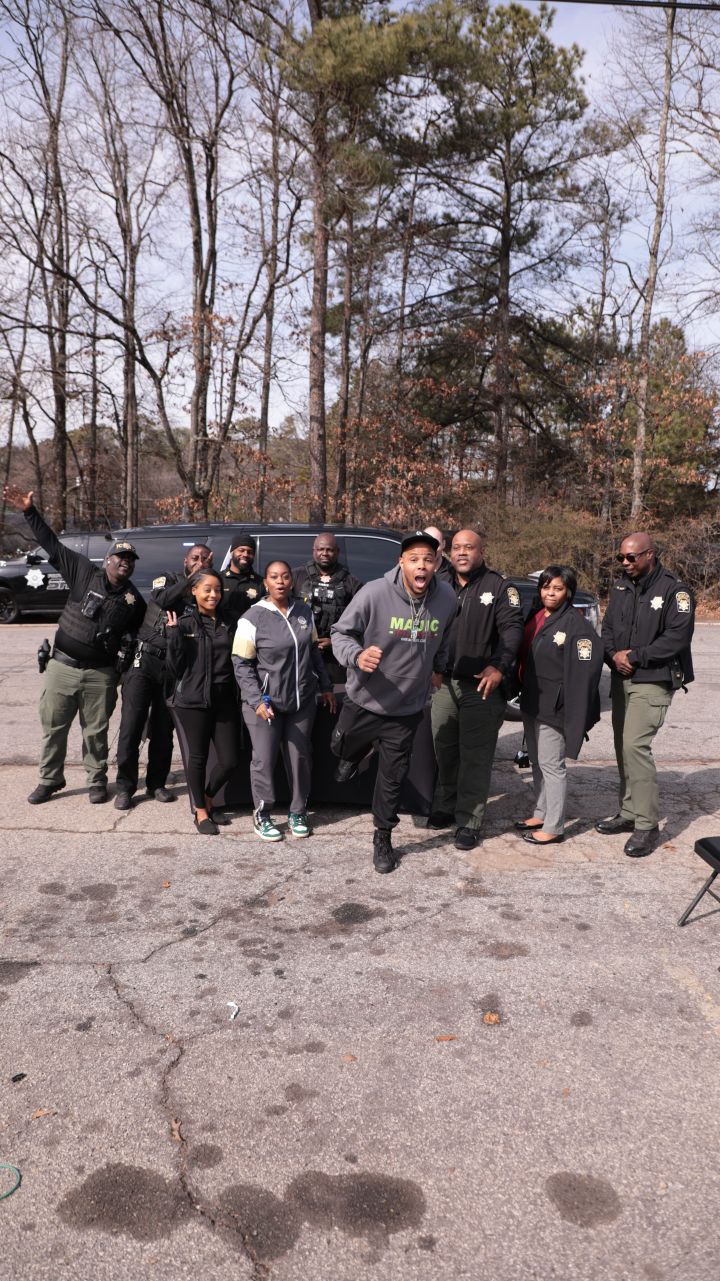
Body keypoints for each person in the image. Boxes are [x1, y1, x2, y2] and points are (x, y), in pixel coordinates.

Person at [3, 484, 145, 805]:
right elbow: (51, 544)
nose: (125, 562)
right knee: (54, 728)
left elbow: (137, 636)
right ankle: (49, 779)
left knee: (96, 731)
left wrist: (123, 668)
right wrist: (29, 512)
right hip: (62, 666)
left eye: (130, 559)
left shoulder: (133, 600)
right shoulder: (82, 571)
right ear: (108, 560)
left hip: (100, 674)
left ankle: (96, 781)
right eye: (120, 557)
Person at [330, 531, 456, 874]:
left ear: (437, 564)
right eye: (414, 559)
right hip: (365, 697)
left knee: (392, 777)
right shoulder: (374, 593)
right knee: (339, 746)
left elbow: (445, 635)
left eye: (428, 560)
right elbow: (340, 632)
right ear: (401, 562)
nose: (421, 566)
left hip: (407, 706)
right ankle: (351, 754)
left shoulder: (446, 597)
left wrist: (439, 666)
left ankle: (383, 836)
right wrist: (357, 656)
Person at [596, 532, 694, 857]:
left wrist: (635, 657)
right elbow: (608, 628)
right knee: (621, 747)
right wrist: (614, 655)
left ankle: (647, 825)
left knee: (634, 746)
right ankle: (628, 812)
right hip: (622, 676)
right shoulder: (621, 587)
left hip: (653, 677)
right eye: (621, 558)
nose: (625, 563)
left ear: (649, 554)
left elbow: (677, 637)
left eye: (631, 557)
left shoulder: (675, 590)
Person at [428, 527, 524, 850]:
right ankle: (446, 804)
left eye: (469, 547)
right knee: (444, 748)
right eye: (456, 547)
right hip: (445, 682)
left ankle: (469, 820)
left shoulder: (500, 587)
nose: (462, 553)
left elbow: (512, 631)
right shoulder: (439, 585)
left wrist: (499, 666)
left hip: (481, 685)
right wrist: (432, 666)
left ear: (481, 552)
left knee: (475, 755)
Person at [233, 560, 335, 841]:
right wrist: (256, 700)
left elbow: (313, 652)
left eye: (285, 576)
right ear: (265, 582)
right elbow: (241, 664)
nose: (280, 581)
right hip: (266, 704)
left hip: (301, 701)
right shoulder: (252, 617)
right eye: (274, 577)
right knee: (264, 760)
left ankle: (298, 811)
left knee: (300, 758)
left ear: (292, 581)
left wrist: (325, 686)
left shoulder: (303, 611)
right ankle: (263, 814)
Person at [114, 544, 214, 809]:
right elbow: (162, 599)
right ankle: (125, 787)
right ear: (186, 561)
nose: (199, 562)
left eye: (204, 559)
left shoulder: (205, 592)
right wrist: (193, 579)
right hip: (144, 661)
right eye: (195, 558)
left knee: (162, 730)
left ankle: (156, 783)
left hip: (173, 666)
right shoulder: (167, 578)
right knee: (131, 727)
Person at [516, 566, 603, 845]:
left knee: (552, 765)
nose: (550, 593)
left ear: (569, 592)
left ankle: (554, 826)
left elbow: (585, 673)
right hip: (532, 699)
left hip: (555, 706)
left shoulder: (577, 625)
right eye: (546, 587)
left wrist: (574, 711)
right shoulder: (538, 615)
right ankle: (541, 812)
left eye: (557, 588)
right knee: (537, 761)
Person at [165, 569, 240, 835]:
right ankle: (200, 812)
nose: (213, 595)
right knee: (198, 758)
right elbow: (174, 668)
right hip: (193, 700)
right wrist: (174, 637)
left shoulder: (230, 621)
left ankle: (208, 798)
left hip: (225, 699)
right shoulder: (184, 623)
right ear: (194, 591)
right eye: (207, 589)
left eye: (217, 589)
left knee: (230, 760)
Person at [292, 533, 362, 683]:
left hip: (336, 660)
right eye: (320, 549)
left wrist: (334, 642)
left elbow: (361, 622)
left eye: (329, 550)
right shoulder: (295, 577)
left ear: (337, 552)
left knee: (335, 696)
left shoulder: (351, 583)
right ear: (314, 550)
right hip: (301, 656)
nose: (325, 553)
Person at [222, 533, 265, 630]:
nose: (245, 554)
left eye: (250, 552)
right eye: (241, 550)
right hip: (222, 636)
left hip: (251, 635)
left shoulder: (260, 583)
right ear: (232, 552)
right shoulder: (218, 580)